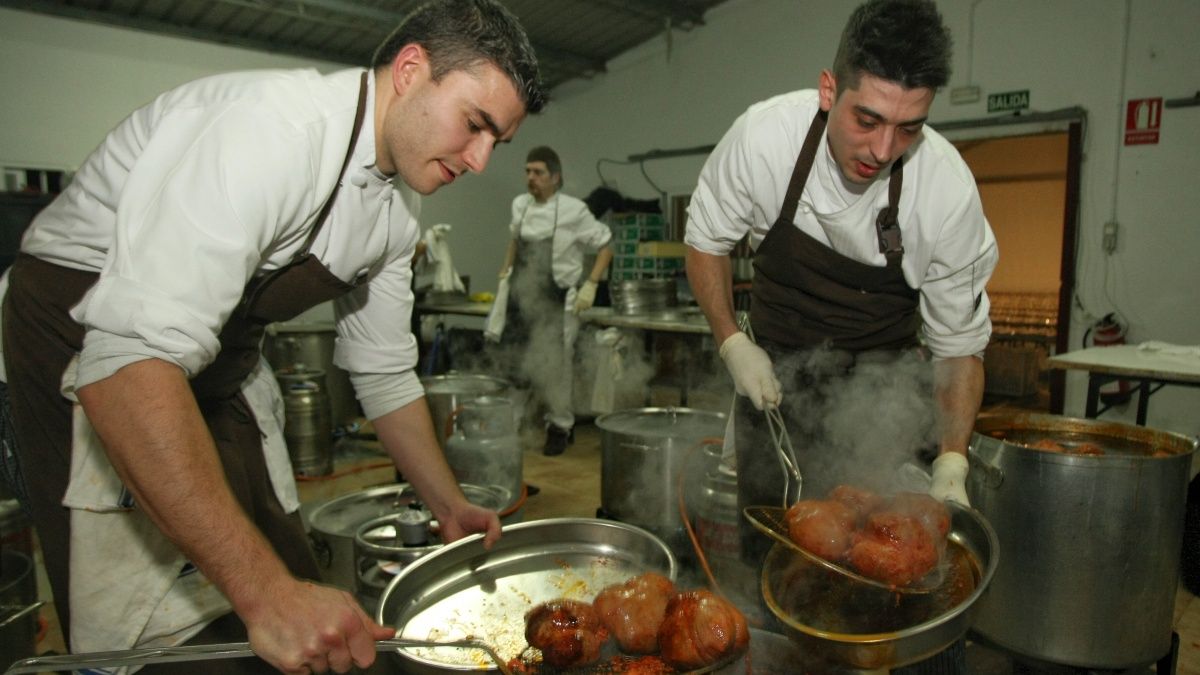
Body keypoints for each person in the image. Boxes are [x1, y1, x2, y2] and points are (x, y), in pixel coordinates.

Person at [0, 0, 545, 672]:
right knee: (165, 633)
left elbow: (383, 373)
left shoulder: (395, 214)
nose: (483, 159)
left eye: (499, 141)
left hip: (208, 366)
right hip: (83, 344)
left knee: (287, 579)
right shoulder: (270, 132)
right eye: (475, 124)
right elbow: (125, 368)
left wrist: (447, 503)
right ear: (410, 70)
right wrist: (266, 597)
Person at [684, 1, 996, 671]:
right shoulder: (764, 140)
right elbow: (705, 241)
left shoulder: (944, 190)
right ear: (830, 92)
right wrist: (732, 341)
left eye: (909, 128)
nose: (883, 150)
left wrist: (951, 460)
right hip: (775, 382)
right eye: (868, 119)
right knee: (778, 569)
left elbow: (959, 343)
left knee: (898, 585)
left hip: (882, 391)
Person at [497, 146, 614, 456]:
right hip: (523, 297)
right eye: (527, 171)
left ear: (555, 177)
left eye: (538, 172)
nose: (530, 178)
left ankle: (560, 426)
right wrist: (505, 271)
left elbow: (605, 246)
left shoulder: (574, 210)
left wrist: (591, 284)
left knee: (555, 367)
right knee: (517, 363)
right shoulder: (519, 205)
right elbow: (514, 239)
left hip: (559, 301)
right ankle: (513, 424)